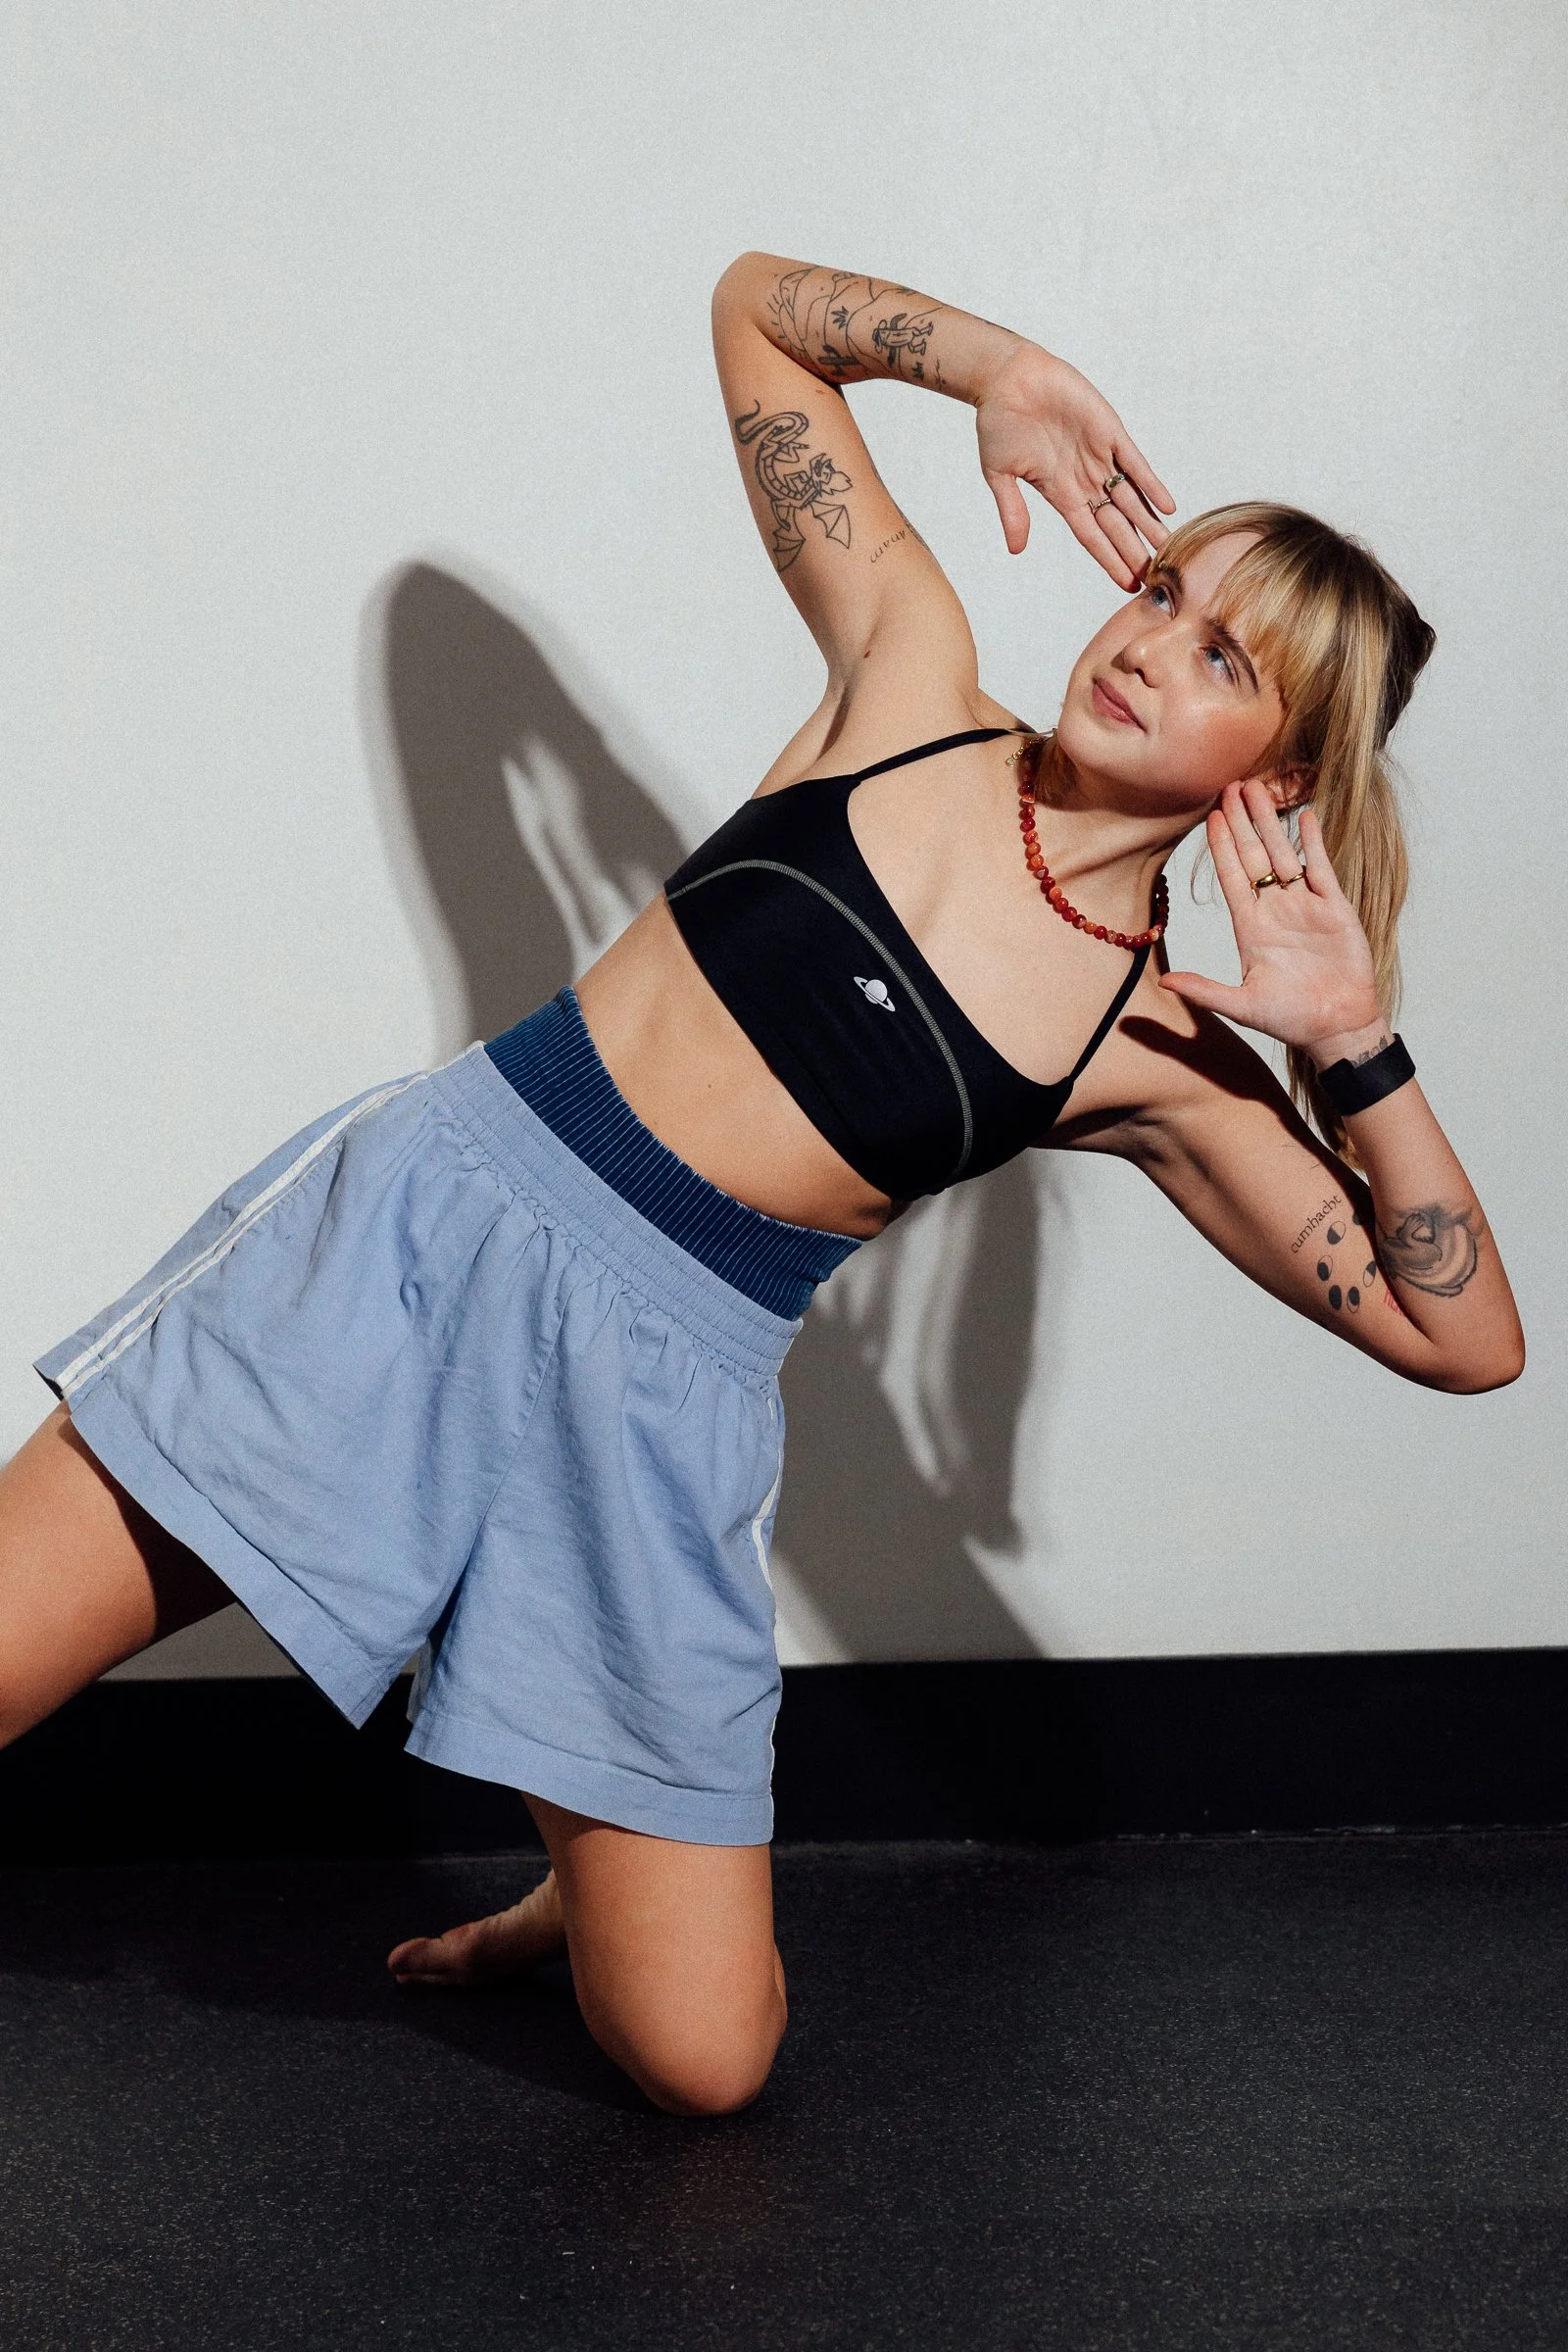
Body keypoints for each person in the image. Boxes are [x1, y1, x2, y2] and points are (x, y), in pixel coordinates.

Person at [1, 253, 1524, 2117]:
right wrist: (996, 367)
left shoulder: (1156, 1050)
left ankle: (576, 1891)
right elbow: (750, 309)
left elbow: (1469, 1343)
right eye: (1155, 587)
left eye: (1223, 656)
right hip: (428, 1238)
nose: (1142, 641)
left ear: (1279, 772)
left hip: (654, 1410)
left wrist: (1353, 1051)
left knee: (708, 2065)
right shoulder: (908, 680)